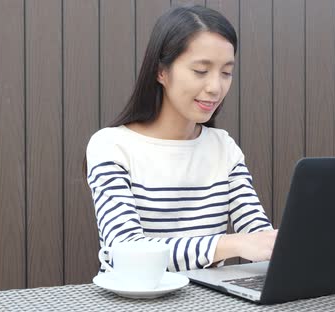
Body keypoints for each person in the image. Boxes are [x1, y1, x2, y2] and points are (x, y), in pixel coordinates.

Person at [84, 4, 278, 273]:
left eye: (226, 72)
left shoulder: (224, 148)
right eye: (200, 71)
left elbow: (258, 236)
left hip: (209, 299)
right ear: (161, 72)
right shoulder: (111, 147)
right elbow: (125, 252)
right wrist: (229, 245)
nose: (215, 87)